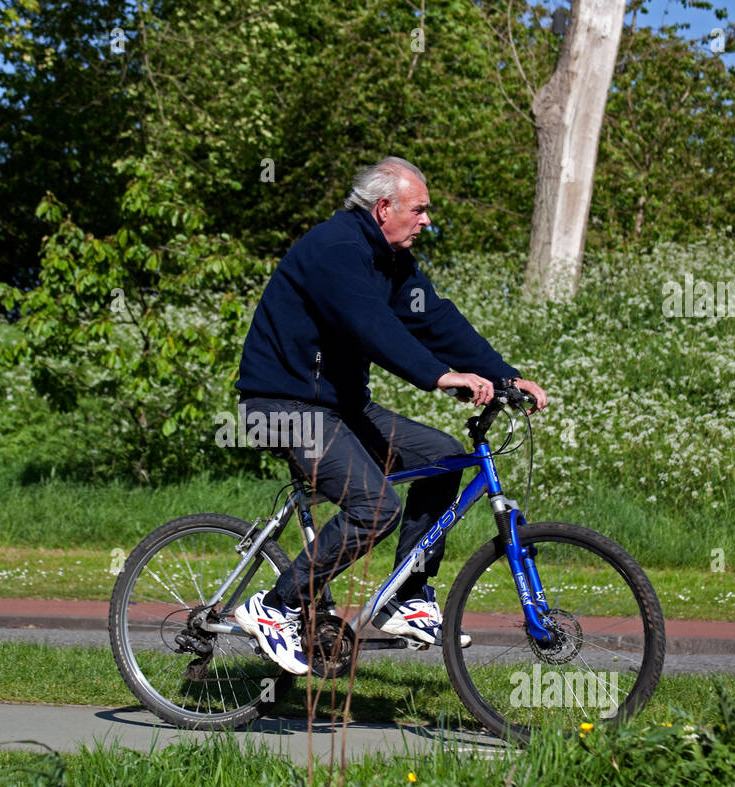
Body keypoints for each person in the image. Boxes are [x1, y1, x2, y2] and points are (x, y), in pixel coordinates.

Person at [232, 156, 547, 675]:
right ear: (384, 207)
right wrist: (440, 376)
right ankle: (275, 607)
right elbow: (370, 326)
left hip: (339, 405)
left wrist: (506, 377)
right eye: (419, 210)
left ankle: (406, 594)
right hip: (283, 405)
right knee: (374, 506)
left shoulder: (392, 261)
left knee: (445, 457)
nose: (427, 221)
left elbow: (437, 321)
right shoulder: (337, 250)